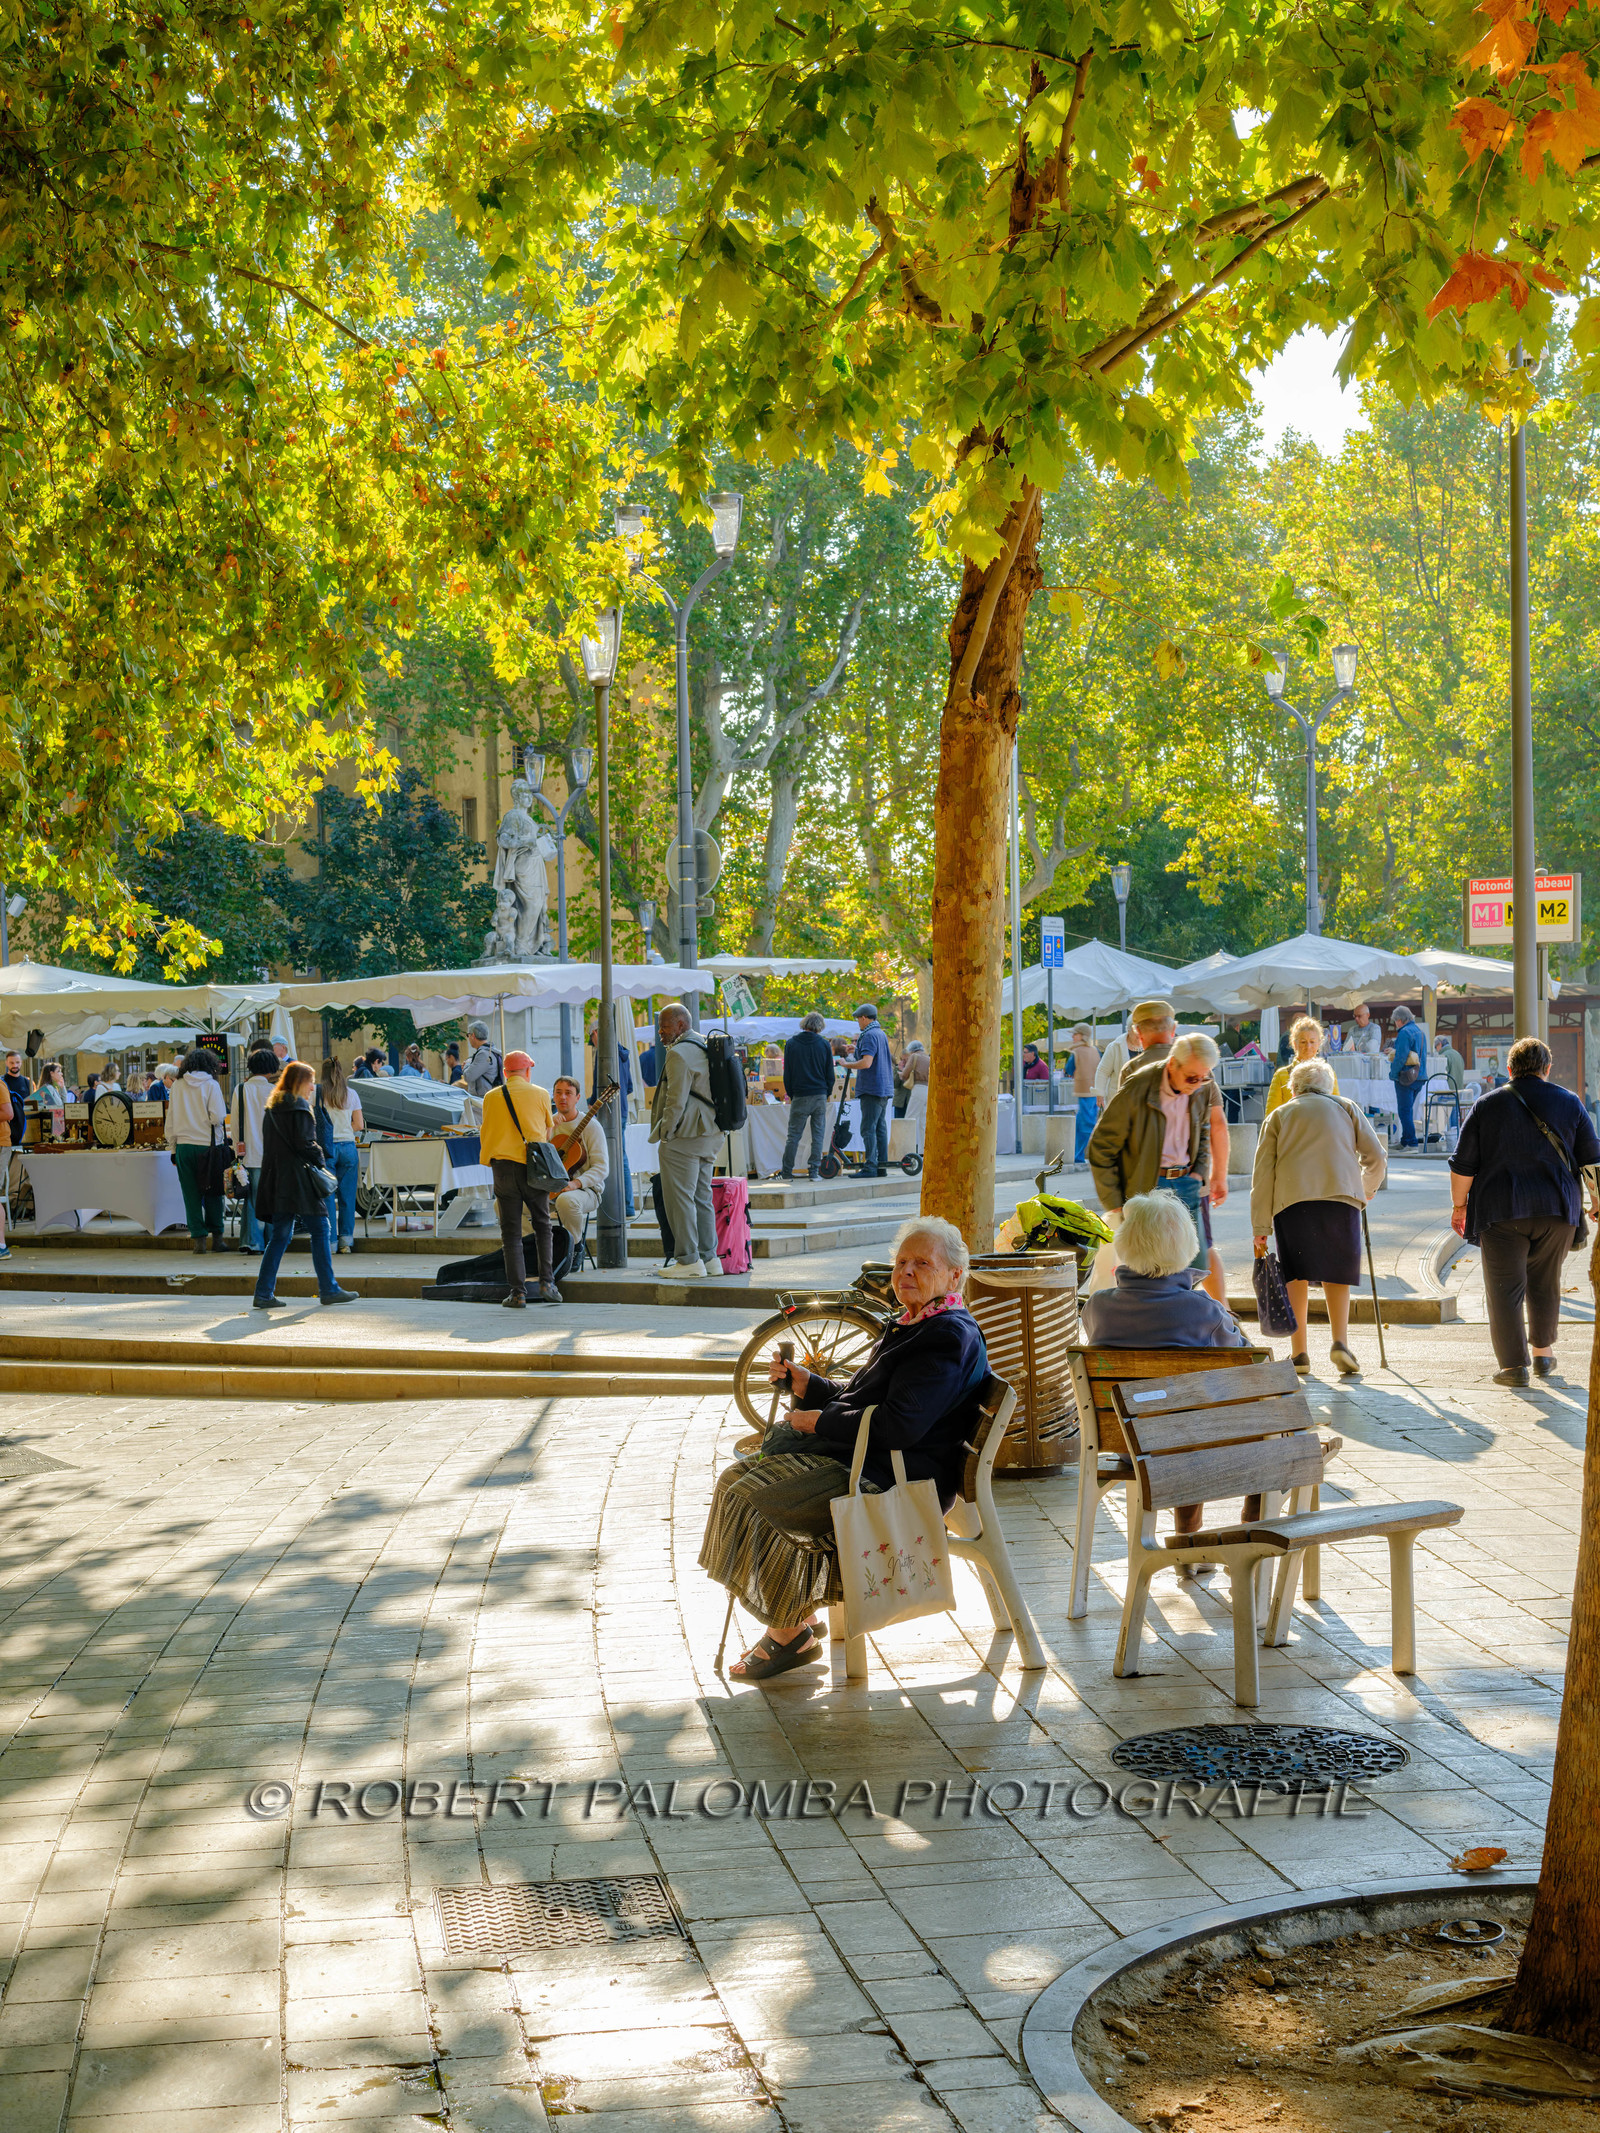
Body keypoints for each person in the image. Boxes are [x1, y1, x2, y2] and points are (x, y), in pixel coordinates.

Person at [698, 1216, 987, 1681]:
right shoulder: (915, 1322)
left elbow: (900, 1425)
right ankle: (793, 1622)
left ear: (955, 1275)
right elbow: (865, 1399)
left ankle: (789, 1633)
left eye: (922, 1263)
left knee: (755, 1498)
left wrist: (818, 1420)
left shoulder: (946, 1336)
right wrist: (808, 1385)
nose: (906, 1272)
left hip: (895, 1474)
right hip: (866, 1457)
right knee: (736, 1481)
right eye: (901, 1262)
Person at [1449, 1034, 1600, 1386]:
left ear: (1509, 1068)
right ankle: (1543, 1356)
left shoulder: (1487, 1105)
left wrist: (1459, 1206)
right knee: (1546, 1283)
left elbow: (1462, 1166)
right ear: (1547, 1069)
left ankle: (1514, 1367)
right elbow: (1592, 1159)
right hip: (1557, 1209)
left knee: (1504, 1288)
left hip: (1501, 1211)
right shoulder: (1570, 1102)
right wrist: (1596, 1203)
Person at [1251, 1058, 1387, 1379]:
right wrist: (1364, 1190)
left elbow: (1262, 1176)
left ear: (1294, 1088)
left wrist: (1260, 1228)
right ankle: (1340, 1342)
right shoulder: (1347, 1107)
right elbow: (1377, 1157)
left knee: (1295, 1273)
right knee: (1337, 1272)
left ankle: (1300, 1353)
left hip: (1292, 1202)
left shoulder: (1279, 1115)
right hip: (1341, 1199)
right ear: (1328, 1086)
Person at [1087, 1034, 1225, 1297]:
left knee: (1194, 1265)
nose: (1198, 1085)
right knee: (1147, 1267)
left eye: (1204, 1077)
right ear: (1172, 1064)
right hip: (1147, 1186)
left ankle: (1182, 1322)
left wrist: (1200, 1171)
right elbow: (1101, 1145)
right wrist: (1114, 1200)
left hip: (1186, 1180)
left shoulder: (1202, 1084)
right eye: (1192, 1078)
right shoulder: (1139, 1085)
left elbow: (1204, 1128)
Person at [1119, 1003, 1229, 1301]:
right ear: (1173, 1029)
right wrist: (1215, 1175)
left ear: (1138, 1034)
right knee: (1201, 1247)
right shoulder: (1199, 1066)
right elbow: (1216, 1125)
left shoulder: (1132, 1069)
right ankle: (1225, 1316)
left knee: (1146, 1252)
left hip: (1149, 1182)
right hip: (1189, 1176)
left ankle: (1152, 1312)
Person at [1081, 1193, 1248, 1350]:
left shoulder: (1096, 1306)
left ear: (1123, 1244)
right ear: (1188, 1246)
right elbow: (1248, 1359)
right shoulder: (1206, 1310)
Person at [252, 1061, 357, 1309]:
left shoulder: (272, 1108)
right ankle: (328, 1289)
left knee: (279, 1236)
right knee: (321, 1229)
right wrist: (321, 1159)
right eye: (309, 1081)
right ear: (299, 1082)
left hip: (279, 1180)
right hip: (300, 1182)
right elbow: (306, 1145)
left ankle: (263, 1292)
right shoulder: (300, 1108)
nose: (313, 1087)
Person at [479, 1048, 560, 1308]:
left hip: (502, 1168)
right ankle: (548, 1282)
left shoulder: (491, 1097)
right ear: (527, 1071)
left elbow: (486, 1131)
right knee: (542, 1224)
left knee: (511, 1232)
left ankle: (517, 1293)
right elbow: (547, 1133)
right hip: (533, 1166)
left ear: (504, 1072)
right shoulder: (541, 1094)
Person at [649, 1003, 721, 1279]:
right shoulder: (706, 1045)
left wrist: (665, 1132)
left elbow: (674, 1101)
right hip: (710, 1133)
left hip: (686, 1135)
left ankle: (689, 1261)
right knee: (702, 1197)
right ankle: (710, 1258)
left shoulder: (679, 1053)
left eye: (665, 1026)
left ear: (680, 1025)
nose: (660, 1032)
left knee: (679, 1199)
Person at [165, 1047, 228, 1253]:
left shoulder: (177, 1086)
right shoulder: (211, 1085)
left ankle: (198, 1241)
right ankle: (217, 1239)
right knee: (213, 1192)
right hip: (207, 1147)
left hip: (183, 1146)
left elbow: (171, 1119)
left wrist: (172, 1146)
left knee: (190, 1195)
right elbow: (218, 1117)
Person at [230, 1046, 280, 1255]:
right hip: (272, 1154)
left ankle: (251, 1241)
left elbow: (234, 1123)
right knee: (271, 1199)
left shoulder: (240, 1089)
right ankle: (269, 1240)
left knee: (250, 1199)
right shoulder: (274, 1091)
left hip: (247, 1152)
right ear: (271, 1069)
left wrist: (236, 1150)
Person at [550, 1074, 607, 1252]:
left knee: (566, 1201)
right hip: (550, 1189)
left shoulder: (591, 1126)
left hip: (586, 1191)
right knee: (510, 1204)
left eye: (568, 1093)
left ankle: (573, 1250)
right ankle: (538, 1247)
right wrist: (547, 1127)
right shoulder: (549, 1123)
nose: (563, 1097)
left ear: (578, 1098)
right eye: (558, 1092)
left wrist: (575, 1183)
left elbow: (602, 1167)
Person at [839, 1002, 894, 1176]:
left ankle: (870, 1167)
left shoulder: (869, 1034)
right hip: (883, 1087)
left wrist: (847, 1064)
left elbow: (866, 1062)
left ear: (864, 1018)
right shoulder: (880, 1033)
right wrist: (856, 1049)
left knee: (868, 1128)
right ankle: (881, 1166)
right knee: (880, 1128)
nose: (858, 1023)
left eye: (858, 1019)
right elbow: (872, 1057)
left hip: (871, 1088)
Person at [318, 1057, 364, 1255]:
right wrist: (344, 1128)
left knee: (327, 1197)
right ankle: (346, 1242)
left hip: (326, 1148)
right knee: (347, 1197)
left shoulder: (318, 1094)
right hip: (347, 1147)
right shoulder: (351, 1093)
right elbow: (359, 1125)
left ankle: (329, 1243)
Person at [781, 1012, 835, 1181]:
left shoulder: (791, 1044)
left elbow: (787, 1073)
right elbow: (829, 1073)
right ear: (820, 1027)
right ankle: (814, 1171)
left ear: (804, 1024)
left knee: (793, 1136)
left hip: (800, 1094)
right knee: (818, 1135)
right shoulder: (824, 1044)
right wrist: (827, 1092)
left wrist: (791, 1093)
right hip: (819, 1093)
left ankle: (787, 1172)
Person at [1264, 1016, 1325, 1117]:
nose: (1308, 1046)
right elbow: (1271, 1117)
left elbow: (1335, 1111)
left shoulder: (1327, 1073)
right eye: (1303, 1042)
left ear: (1319, 1043)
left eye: (1312, 1042)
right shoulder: (1281, 1075)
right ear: (1294, 1044)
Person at [1389, 1004, 1427, 1148]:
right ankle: (1405, 1141)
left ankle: (1411, 1143)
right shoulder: (1420, 1032)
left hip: (1406, 1077)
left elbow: (1400, 1057)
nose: (1395, 1024)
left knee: (1404, 1111)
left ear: (1400, 1020)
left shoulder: (1404, 1032)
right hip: (1420, 1076)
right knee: (1408, 1110)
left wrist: (1393, 1074)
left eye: (1395, 1020)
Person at [1067, 1024, 1100, 1161]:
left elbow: (1069, 1069)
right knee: (1088, 1121)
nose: (1072, 1036)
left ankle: (1078, 1156)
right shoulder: (1096, 1050)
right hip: (1096, 1090)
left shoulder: (1077, 1051)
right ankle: (1079, 1155)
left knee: (1084, 1125)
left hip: (1084, 1091)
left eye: (1075, 1034)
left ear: (1082, 1035)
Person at [464, 1019, 502, 1098]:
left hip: (484, 1099)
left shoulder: (483, 1054)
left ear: (473, 1035)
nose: (468, 1038)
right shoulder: (493, 1051)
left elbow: (468, 1076)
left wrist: (467, 1064)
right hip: (491, 1095)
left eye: (468, 1035)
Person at [2, 1052, 28, 1117]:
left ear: (21, 1062)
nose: (15, 1065)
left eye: (17, 1062)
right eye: (11, 1063)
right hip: (7, 1122)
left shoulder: (27, 1081)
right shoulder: (1, 1082)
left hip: (24, 1121)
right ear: (6, 1063)